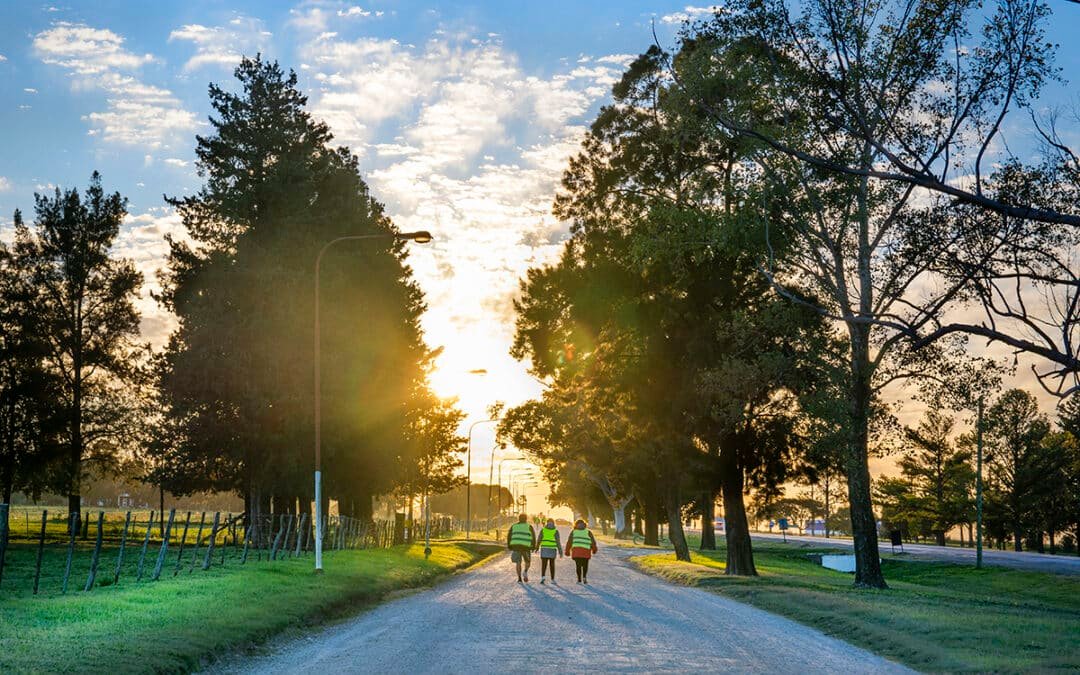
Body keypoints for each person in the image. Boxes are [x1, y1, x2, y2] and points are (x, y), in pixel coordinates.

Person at [565, 518, 598, 584]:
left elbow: (569, 541)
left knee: (578, 565)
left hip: (576, 551)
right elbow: (593, 542)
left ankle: (579, 580)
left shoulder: (573, 532)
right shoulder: (588, 532)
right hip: (586, 551)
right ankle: (584, 578)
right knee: (585, 564)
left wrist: (567, 550)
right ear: (584, 524)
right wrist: (594, 549)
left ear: (576, 524)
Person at [506, 513, 536, 583]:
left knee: (518, 562)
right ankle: (525, 571)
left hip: (516, 547)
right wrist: (533, 546)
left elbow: (509, 536)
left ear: (518, 519)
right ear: (526, 519)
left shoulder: (514, 526)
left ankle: (519, 578)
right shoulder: (529, 527)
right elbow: (533, 537)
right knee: (528, 562)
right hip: (526, 547)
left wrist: (509, 545)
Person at [534, 517, 562, 584]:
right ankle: (552, 579)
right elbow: (558, 541)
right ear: (553, 523)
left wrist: (537, 547)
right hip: (552, 549)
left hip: (544, 549)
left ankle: (543, 577)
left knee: (544, 564)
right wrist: (560, 551)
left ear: (547, 523)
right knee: (552, 564)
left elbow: (539, 539)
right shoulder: (555, 531)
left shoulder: (543, 530)